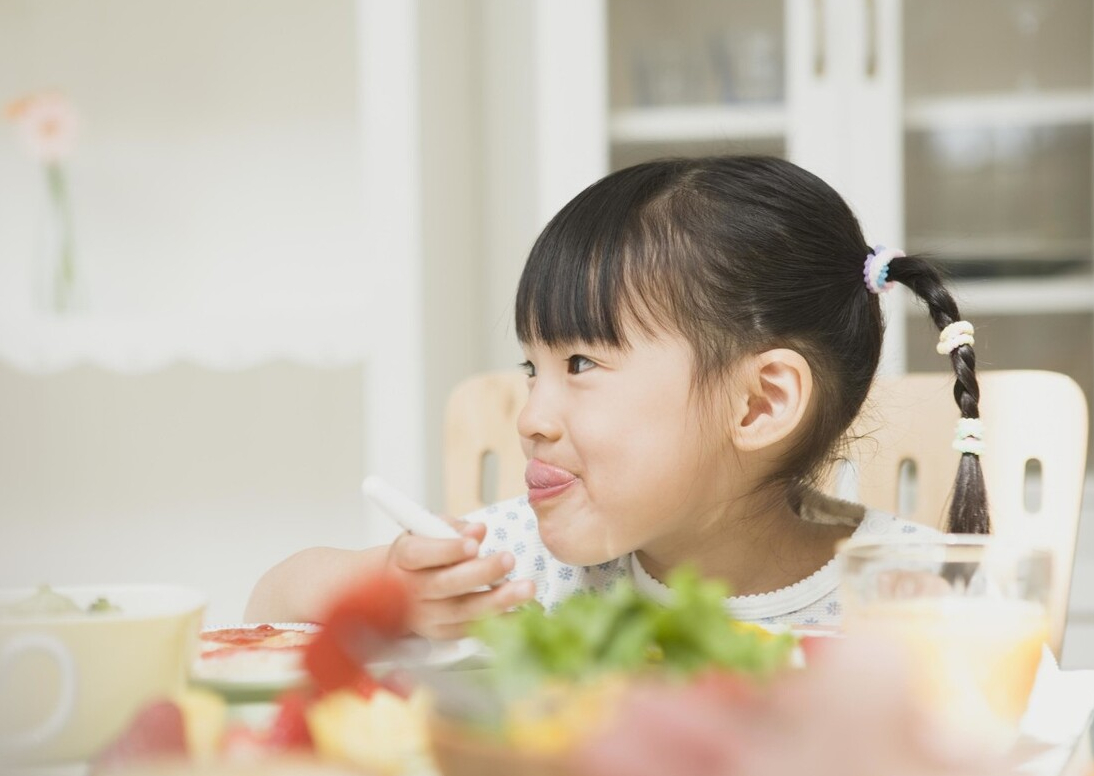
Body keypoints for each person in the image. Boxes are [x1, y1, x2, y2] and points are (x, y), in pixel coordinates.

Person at [246, 155, 988, 639]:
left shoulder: (922, 600)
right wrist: (390, 590)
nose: (530, 417)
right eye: (531, 368)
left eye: (579, 364)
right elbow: (271, 605)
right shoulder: (520, 569)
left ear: (759, 405)